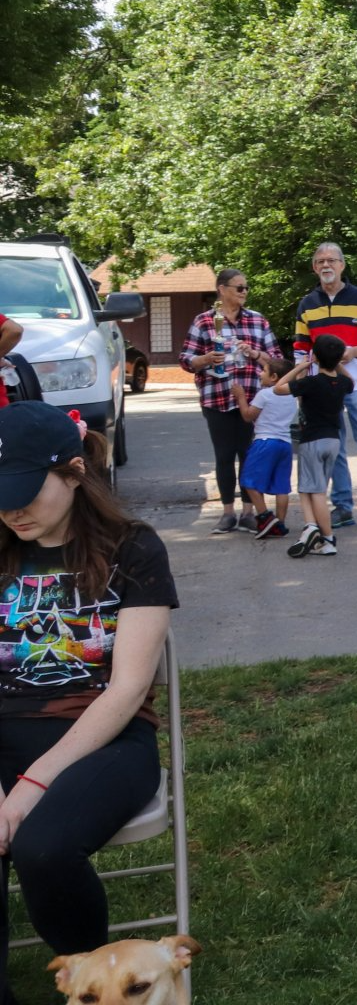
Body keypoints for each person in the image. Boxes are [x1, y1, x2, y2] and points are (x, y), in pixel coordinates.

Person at [0, 403, 176, 983]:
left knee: (42, 848)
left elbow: (127, 689)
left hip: (106, 738)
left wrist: (28, 788)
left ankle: (94, 983)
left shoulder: (133, 548)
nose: (11, 510)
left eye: (25, 492)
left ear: (75, 472)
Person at [292, 243, 357, 531]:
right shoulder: (306, 304)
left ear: (342, 265)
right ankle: (342, 507)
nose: (326, 265)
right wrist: (301, 387)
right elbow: (301, 349)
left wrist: (354, 351)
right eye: (320, 261)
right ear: (314, 267)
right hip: (322, 384)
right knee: (334, 446)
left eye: (331, 260)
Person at [179, 268, 281, 533]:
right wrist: (205, 359)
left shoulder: (258, 320)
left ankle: (249, 511)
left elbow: (277, 360)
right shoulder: (204, 321)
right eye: (239, 287)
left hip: (252, 399)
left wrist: (255, 354)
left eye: (246, 287)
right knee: (223, 455)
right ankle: (227, 512)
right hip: (216, 398)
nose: (245, 292)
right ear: (222, 290)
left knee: (249, 454)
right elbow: (186, 359)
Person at [275, 335, 354, 558]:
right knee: (307, 487)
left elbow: (278, 388)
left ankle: (327, 538)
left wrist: (300, 366)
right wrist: (337, 363)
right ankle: (310, 525)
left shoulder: (311, 383)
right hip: (333, 441)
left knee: (316, 490)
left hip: (312, 441)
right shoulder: (342, 383)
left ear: (315, 357)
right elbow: (352, 381)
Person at [232, 355, 297, 539]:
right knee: (282, 486)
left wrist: (241, 397)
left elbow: (248, 416)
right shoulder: (292, 396)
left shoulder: (265, 394)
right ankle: (280, 524)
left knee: (248, 481)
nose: (260, 373)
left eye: (264, 371)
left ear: (274, 377)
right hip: (285, 443)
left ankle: (265, 517)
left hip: (264, 442)